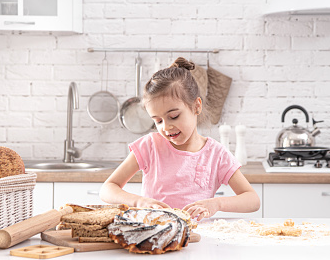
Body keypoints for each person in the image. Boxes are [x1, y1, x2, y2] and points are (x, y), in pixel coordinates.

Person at [100, 57, 260, 221]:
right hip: (154, 235)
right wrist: (139, 201)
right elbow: (108, 188)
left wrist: (217, 204)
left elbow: (252, 200)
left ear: (196, 106)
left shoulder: (216, 154)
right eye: (158, 121)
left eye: (174, 116)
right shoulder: (150, 146)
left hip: (198, 238)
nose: (166, 127)